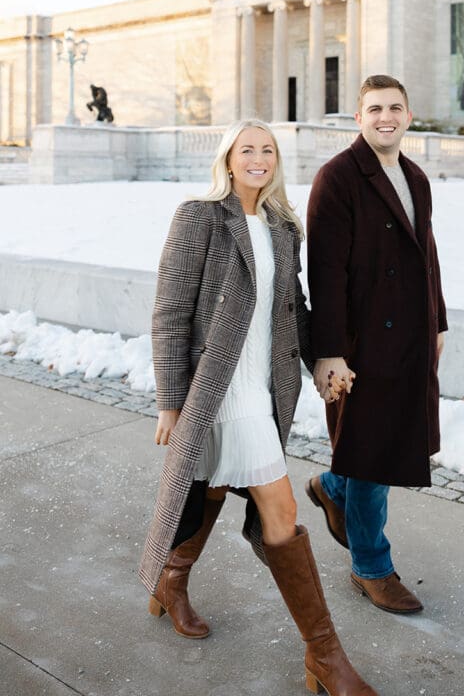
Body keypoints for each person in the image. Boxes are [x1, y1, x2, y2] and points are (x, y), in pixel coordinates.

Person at [139, 119, 377, 696]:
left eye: (268, 150)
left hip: (261, 387)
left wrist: (326, 357)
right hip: (216, 388)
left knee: (214, 488)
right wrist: (172, 403)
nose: (258, 157)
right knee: (281, 507)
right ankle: (325, 656)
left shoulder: (281, 226)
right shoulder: (199, 216)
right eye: (247, 148)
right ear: (227, 158)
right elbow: (170, 314)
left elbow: (291, 305)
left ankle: (172, 579)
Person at [305, 76, 447, 615]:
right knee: (372, 455)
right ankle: (371, 566)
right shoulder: (337, 177)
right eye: (374, 109)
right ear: (358, 117)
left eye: (394, 108)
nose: (385, 117)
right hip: (362, 343)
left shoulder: (415, 176)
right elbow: (324, 272)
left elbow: (426, 257)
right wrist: (330, 351)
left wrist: (438, 324)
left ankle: (331, 486)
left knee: (378, 448)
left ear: (408, 115)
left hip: (410, 338)